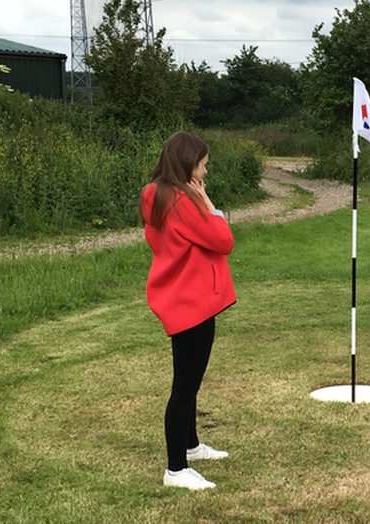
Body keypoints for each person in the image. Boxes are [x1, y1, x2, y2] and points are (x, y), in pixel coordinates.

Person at [141, 131, 236, 490]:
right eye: (203, 165)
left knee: (189, 380)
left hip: (177, 296)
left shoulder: (155, 194)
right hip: (191, 302)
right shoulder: (183, 201)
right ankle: (176, 469)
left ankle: (192, 446)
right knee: (185, 386)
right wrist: (208, 203)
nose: (205, 174)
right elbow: (223, 240)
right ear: (188, 164)